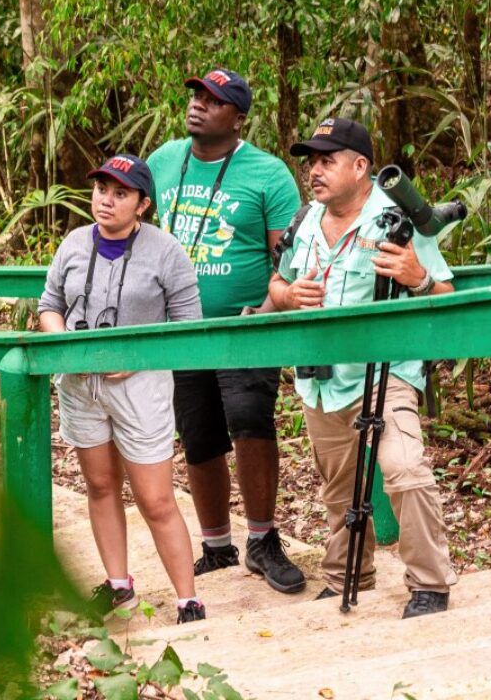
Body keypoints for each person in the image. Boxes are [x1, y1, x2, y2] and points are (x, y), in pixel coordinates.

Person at [267, 117, 459, 619]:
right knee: (337, 487)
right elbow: (276, 286)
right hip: (322, 377)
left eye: (326, 160)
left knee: (402, 468)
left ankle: (430, 585)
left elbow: (445, 296)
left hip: (386, 367)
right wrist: (289, 296)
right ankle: (348, 576)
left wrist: (417, 279)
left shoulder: (399, 219)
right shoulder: (306, 220)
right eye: (311, 161)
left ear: (360, 166)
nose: (314, 170)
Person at [147, 68, 306, 594]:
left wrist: (264, 309)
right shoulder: (164, 161)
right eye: (195, 95)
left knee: (248, 422)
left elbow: (289, 256)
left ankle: (262, 539)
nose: (198, 105)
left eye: (213, 100)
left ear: (237, 117)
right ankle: (217, 544)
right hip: (180, 328)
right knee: (198, 434)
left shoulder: (268, 174)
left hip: (244, 325)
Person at [38, 153, 206, 624]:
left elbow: (188, 327)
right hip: (80, 385)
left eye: (120, 193)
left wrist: (134, 360)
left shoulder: (166, 251)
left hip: (142, 388)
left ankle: (188, 601)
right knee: (99, 484)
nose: (106, 201)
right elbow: (50, 304)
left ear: (142, 205)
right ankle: (118, 586)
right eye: (100, 190)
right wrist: (66, 343)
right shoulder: (72, 244)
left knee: (155, 499)